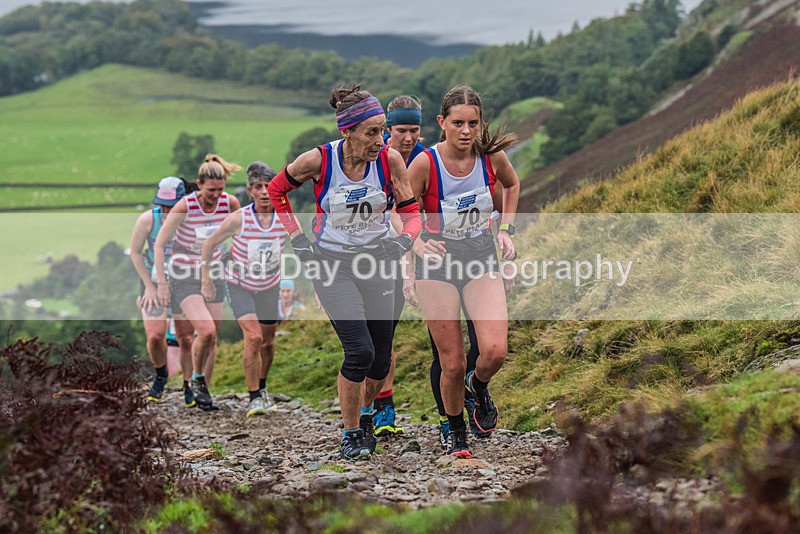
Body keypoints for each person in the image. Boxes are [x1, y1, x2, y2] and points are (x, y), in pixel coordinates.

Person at [268, 83, 422, 460]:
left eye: (382, 130)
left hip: (378, 262)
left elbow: (411, 214)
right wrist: (297, 237)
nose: (381, 140)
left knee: (380, 361)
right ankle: (351, 434)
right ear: (347, 131)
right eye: (371, 132)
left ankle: (366, 414)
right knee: (359, 352)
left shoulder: (390, 161)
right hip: (332, 265)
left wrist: (403, 242)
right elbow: (276, 190)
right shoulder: (318, 160)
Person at [407, 84, 520, 459]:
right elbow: (398, 209)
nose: (466, 131)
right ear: (442, 122)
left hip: (479, 257)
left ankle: (478, 385)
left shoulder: (491, 157)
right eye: (458, 123)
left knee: (495, 351)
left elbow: (512, 184)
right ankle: (456, 433)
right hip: (436, 263)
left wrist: (506, 230)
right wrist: (416, 243)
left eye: (473, 123)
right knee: (451, 363)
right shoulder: (425, 163)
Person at [200, 161, 290, 417]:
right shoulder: (238, 219)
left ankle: (262, 387)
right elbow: (209, 244)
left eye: (268, 186)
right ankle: (253, 398)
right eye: (257, 187)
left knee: (268, 343)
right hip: (241, 286)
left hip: (270, 286)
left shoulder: (285, 218)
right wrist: (206, 278)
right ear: (250, 191)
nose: (264, 192)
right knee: (254, 337)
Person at [154, 154, 242, 411]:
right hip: (184, 274)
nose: (216, 195)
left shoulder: (230, 203)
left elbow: (240, 231)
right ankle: (192, 382)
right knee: (196, 334)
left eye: (220, 190)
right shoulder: (185, 206)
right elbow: (160, 244)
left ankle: (203, 390)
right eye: (211, 190)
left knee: (210, 338)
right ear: (200, 184)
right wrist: (162, 283)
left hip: (214, 271)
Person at [129, 176, 196, 406]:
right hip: (154, 280)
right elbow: (135, 252)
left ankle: (189, 384)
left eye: (171, 206)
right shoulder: (148, 220)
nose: (167, 211)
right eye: (163, 205)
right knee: (155, 336)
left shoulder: (191, 220)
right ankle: (160, 375)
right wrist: (148, 287)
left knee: (185, 338)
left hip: (184, 281)